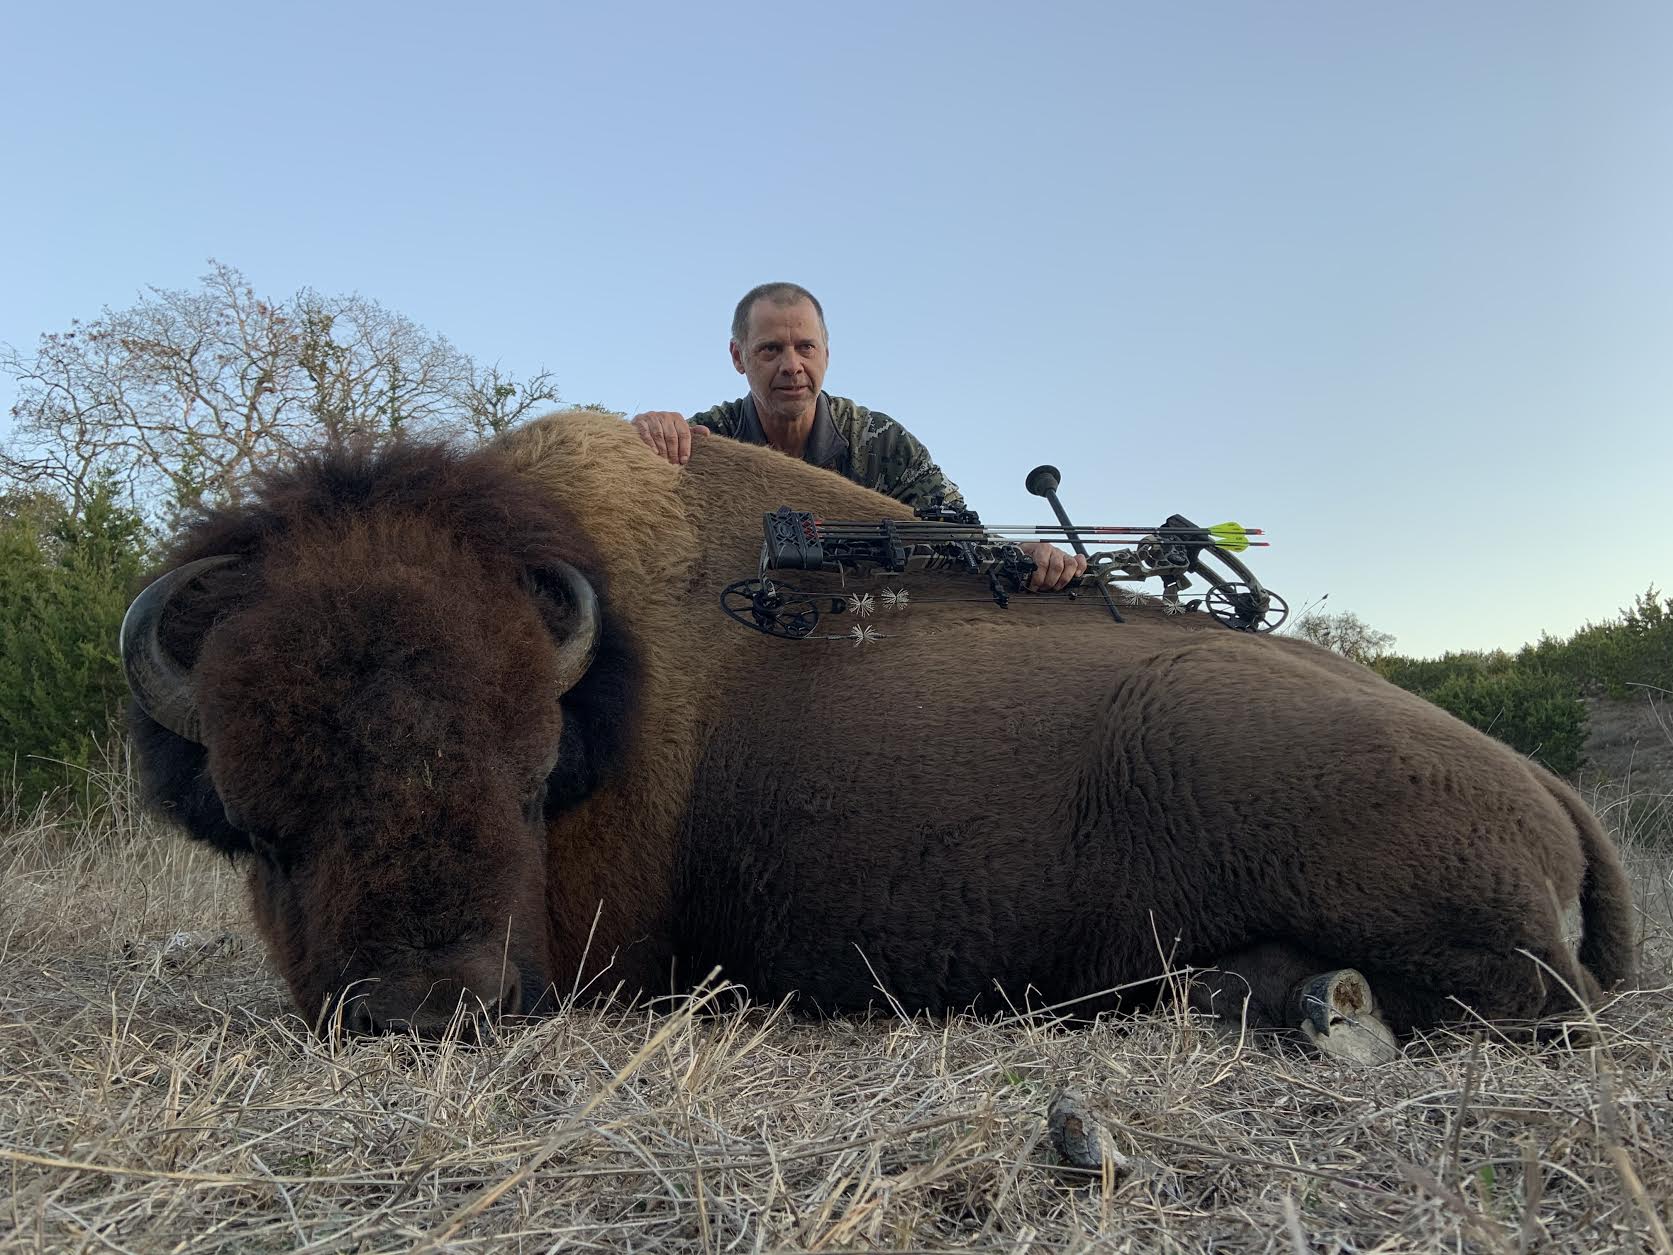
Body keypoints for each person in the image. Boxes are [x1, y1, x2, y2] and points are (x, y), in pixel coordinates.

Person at [630, 283, 1085, 591]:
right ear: (738, 356)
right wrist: (639, 442)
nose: (791, 366)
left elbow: (956, 534)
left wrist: (1023, 554)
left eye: (805, 347)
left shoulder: (882, 441)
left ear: (826, 352)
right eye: (770, 350)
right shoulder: (707, 439)